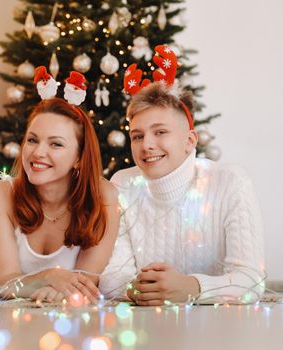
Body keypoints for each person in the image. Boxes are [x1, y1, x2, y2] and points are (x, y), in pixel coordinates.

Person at [99, 48, 265, 305]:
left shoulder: (230, 182)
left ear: (190, 141)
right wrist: (141, 290)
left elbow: (251, 281)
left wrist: (192, 287)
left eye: (160, 132)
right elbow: (111, 276)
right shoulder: (123, 184)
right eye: (137, 136)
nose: (147, 145)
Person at [0, 98, 119, 303]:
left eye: (56, 144)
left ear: (79, 157)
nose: (37, 153)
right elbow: (3, 283)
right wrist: (48, 277)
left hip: (75, 322)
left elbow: (84, 284)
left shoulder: (102, 196)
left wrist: (55, 291)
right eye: (32, 140)